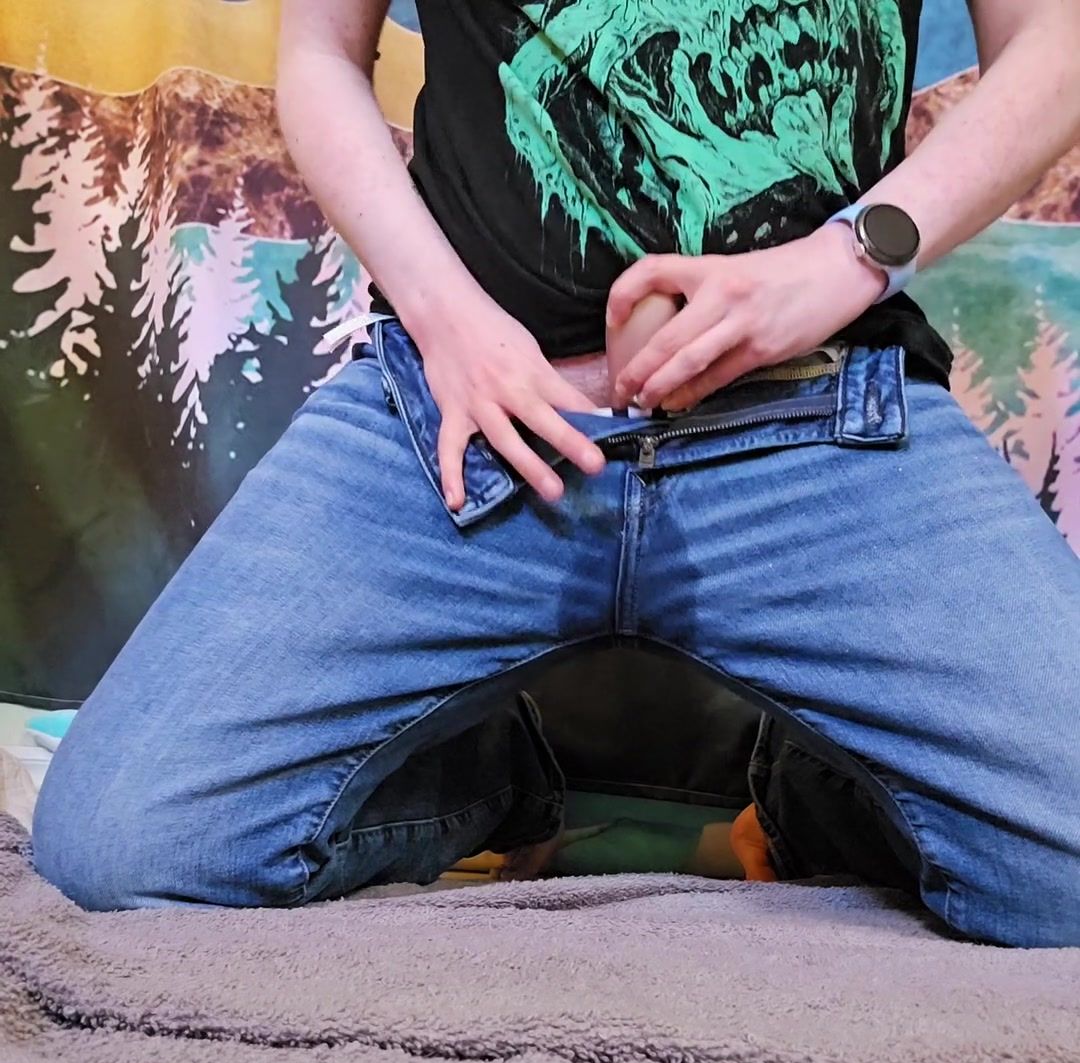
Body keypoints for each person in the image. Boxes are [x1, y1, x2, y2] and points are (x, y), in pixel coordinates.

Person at [32, 0, 1080, 947]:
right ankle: (483, 776)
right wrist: (445, 317)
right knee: (124, 850)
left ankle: (821, 795)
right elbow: (321, 51)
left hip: (822, 407)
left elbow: (1055, 40)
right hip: (456, 411)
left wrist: (845, 259)